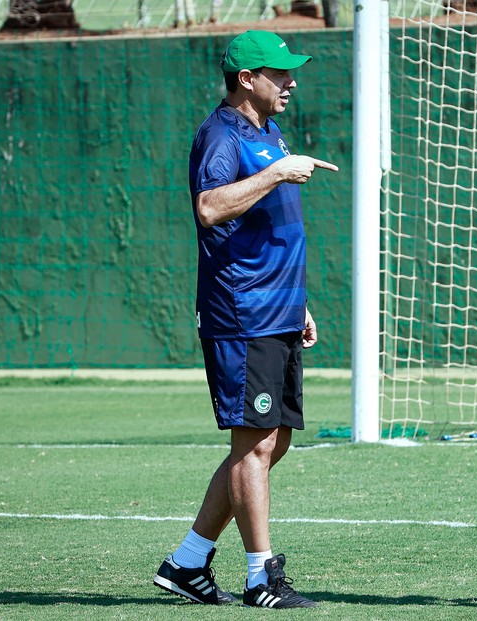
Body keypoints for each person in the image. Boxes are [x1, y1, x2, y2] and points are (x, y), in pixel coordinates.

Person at [152, 30, 337, 609]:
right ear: (245, 80)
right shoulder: (220, 135)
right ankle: (262, 576)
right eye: (278, 73)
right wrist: (280, 172)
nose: (290, 81)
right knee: (254, 445)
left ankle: (186, 562)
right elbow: (209, 208)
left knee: (269, 443)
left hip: (278, 308)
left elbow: (269, 224)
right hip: (243, 313)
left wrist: (298, 302)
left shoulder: (268, 132)